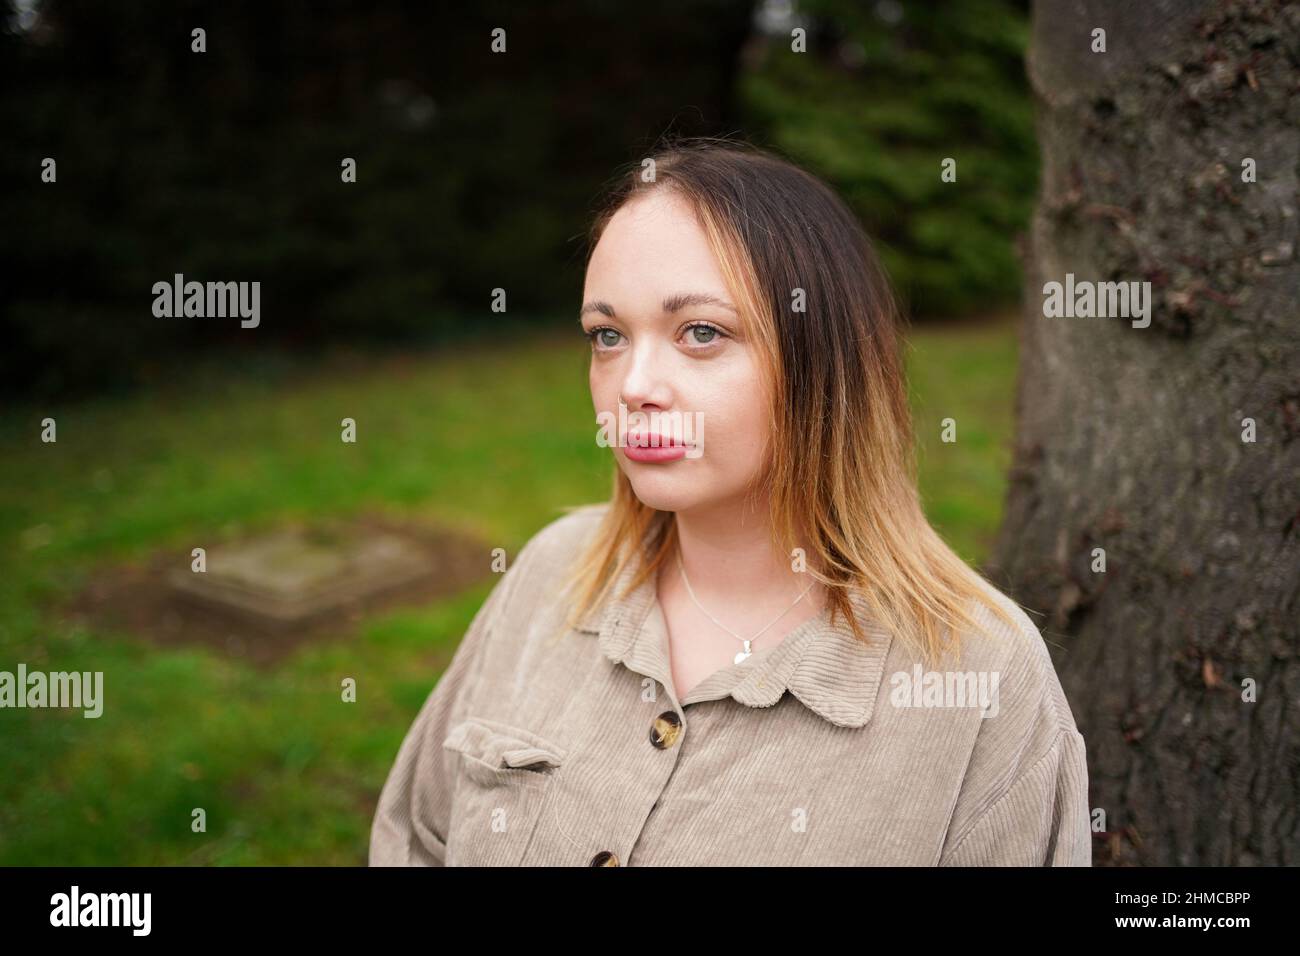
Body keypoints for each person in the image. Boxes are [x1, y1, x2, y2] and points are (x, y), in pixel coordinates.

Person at [369, 137, 1090, 866]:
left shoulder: (981, 677)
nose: (633, 385)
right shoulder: (550, 572)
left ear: (825, 360)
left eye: (702, 333)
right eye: (608, 335)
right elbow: (412, 840)